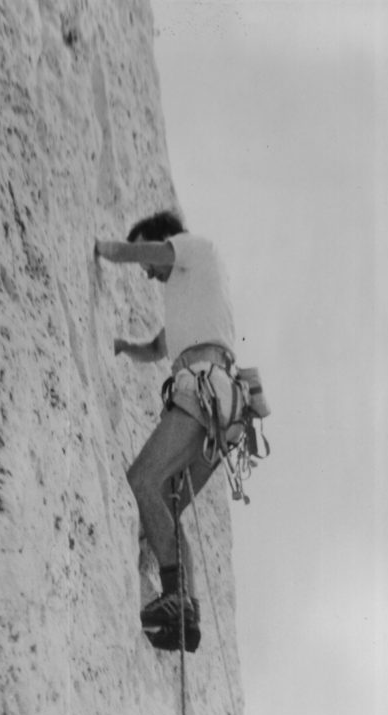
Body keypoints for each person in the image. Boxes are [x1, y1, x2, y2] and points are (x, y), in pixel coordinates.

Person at [94, 210, 245, 652]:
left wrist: (107, 251)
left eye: (149, 263)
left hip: (203, 394)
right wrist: (125, 347)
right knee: (162, 504)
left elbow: (150, 252)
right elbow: (159, 348)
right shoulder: (191, 297)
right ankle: (187, 614)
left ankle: (176, 597)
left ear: (164, 241)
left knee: (142, 480)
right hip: (221, 412)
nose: (147, 273)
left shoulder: (195, 249)